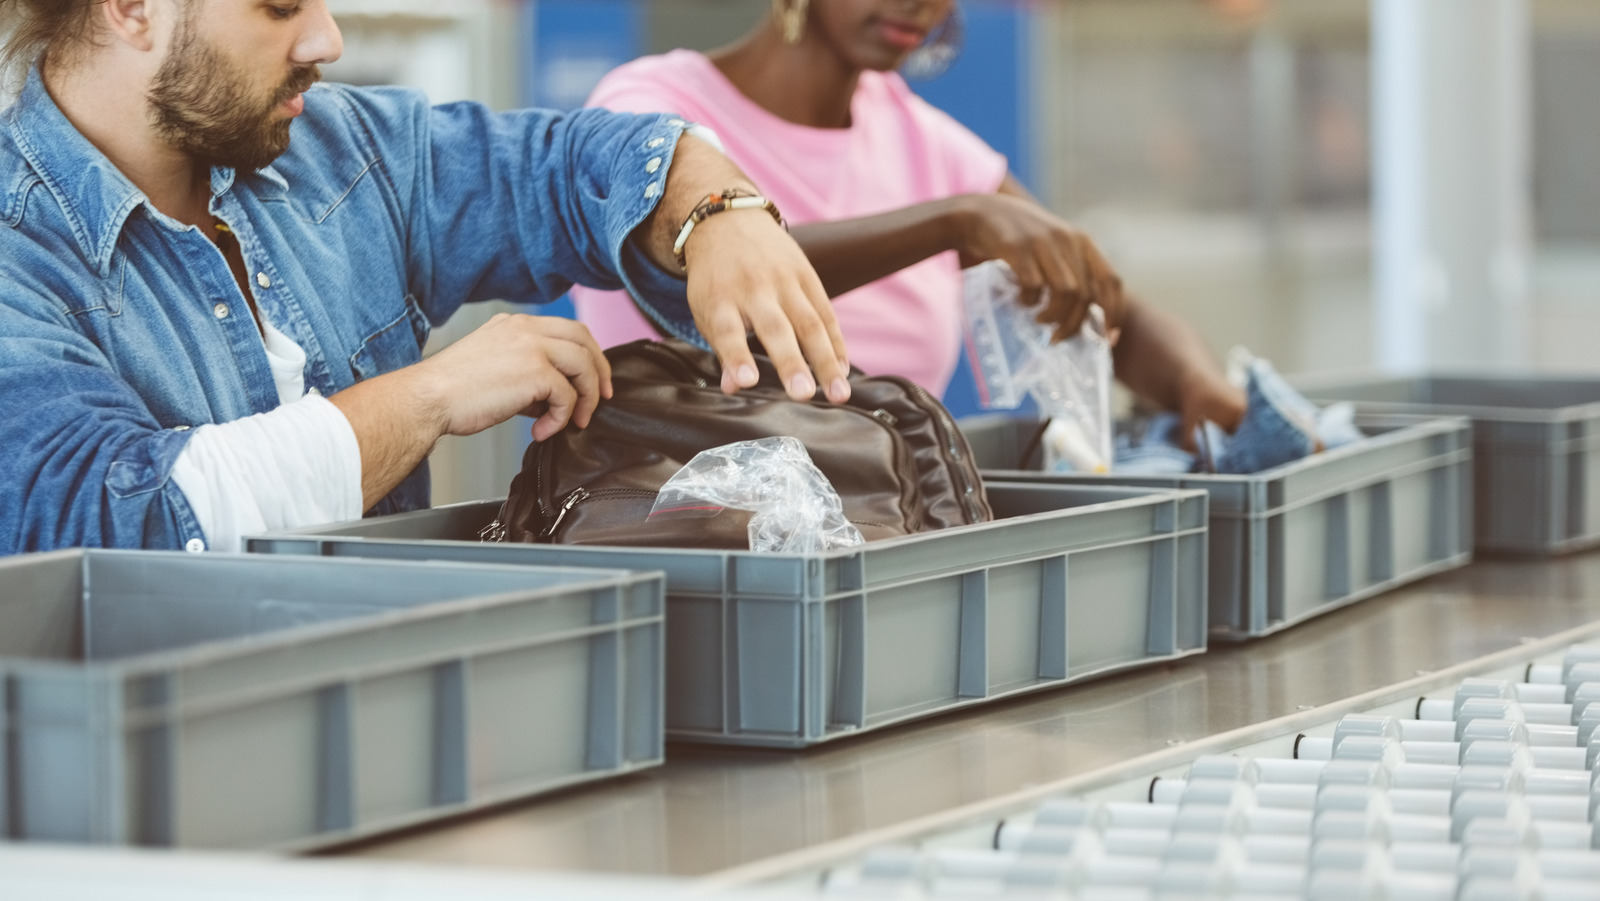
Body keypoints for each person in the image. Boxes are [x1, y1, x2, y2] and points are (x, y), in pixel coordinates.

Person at [0, 0, 856, 556]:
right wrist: (428, 396)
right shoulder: (17, 251)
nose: (325, 39)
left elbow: (559, 170)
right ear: (131, 8)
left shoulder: (347, 152)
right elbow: (114, 520)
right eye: (280, 7)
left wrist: (713, 203)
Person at [571, 0, 1246, 443]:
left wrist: (1200, 386)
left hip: (882, 537)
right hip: (679, 535)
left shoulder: (929, 147)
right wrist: (952, 223)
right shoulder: (650, 107)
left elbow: (1089, 297)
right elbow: (722, 268)